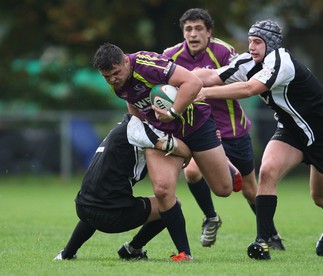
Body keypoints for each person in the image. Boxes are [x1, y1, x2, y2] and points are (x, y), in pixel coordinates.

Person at [194, 19, 323, 260]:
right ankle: (262, 241)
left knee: (321, 197)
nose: (251, 46)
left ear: (271, 44)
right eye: (250, 41)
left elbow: (248, 89)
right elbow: (211, 76)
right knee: (267, 171)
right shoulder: (248, 61)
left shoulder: (281, 62)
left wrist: (203, 93)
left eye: (257, 42)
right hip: (291, 131)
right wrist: (177, 76)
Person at [93, 43, 242, 261]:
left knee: (223, 189)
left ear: (126, 61)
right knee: (162, 190)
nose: (113, 79)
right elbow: (133, 105)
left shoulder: (147, 65)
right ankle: (185, 253)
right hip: (163, 133)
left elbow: (194, 82)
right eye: (107, 77)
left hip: (196, 125)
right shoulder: (117, 83)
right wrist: (146, 134)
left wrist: (173, 111)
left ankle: (224, 162)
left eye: (116, 73)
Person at [163, 8, 285, 250]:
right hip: (199, 132)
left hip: (233, 132)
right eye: (188, 29)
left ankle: (271, 235)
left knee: (251, 190)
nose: (193, 34)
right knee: (192, 173)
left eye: (199, 29)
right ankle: (211, 217)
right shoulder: (170, 56)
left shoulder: (224, 51)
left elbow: (241, 80)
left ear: (209, 32)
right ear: (183, 32)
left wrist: (204, 84)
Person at [53, 114, 192, 261]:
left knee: (97, 201)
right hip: (112, 216)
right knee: (171, 204)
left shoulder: (122, 127)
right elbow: (174, 146)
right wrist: (192, 150)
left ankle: (66, 254)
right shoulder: (140, 131)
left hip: (82, 207)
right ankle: (133, 249)